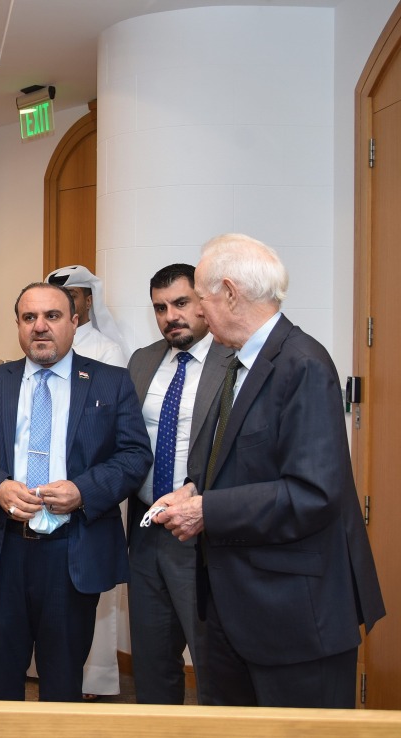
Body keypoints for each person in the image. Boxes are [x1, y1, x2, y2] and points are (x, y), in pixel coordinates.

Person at [152, 234, 385, 708]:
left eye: (201, 297)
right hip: (236, 606)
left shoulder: (302, 364)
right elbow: (242, 459)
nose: (197, 310)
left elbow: (314, 493)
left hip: (294, 616)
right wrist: (195, 488)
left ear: (231, 294)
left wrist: (207, 510)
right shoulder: (239, 361)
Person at [0, 282, 151, 702]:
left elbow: (133, 456)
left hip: (71, 551)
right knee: (0, 677)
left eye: (53, 316)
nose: (40, 327)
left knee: (62, 681)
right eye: (29, 318)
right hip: (2, 550)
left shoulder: (110, 383)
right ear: (18, 326)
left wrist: (83, 490)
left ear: (74, 322)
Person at [126, 263, 234, 704]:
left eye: (181, 303)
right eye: (160, 307)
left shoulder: (235, 362)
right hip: (147, 529)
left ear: (205, 303)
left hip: (205, 537)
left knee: (214, 664)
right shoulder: (143, 360)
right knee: (151, 661)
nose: (171, 316)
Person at [44, 263, 129, 697]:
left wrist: (83, 488)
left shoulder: (108, 351)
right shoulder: (39, 347)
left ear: (85, 302)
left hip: (88, 492)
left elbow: (116, 435)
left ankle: (93, 678)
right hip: (38, 500)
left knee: (88, 599)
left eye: (70, 299)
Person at [47, 264, 128, 365]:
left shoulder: (107, 351)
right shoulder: (44, 343)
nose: (62, 303)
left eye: (71, 296)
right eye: (57, 298)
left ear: (88, 301)